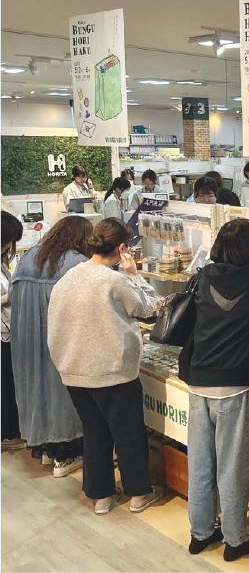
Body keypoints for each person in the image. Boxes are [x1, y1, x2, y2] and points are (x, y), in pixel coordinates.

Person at [47, 219, 163, 515]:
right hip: (112, 372)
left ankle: (101, 498)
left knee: (95, 433)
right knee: (128, 433)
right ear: (123, 248)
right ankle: (138, 494)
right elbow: (150, 309)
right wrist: (134, 275)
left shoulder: (68, 277)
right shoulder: (113, 280)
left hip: (74, 371)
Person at [178, 219, 249, 561]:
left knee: (201, 463)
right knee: (233, 469)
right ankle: (235, 539)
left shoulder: (203, 276)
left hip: (198, 380)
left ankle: (200, 533)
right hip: (234, 385)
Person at [9, 216, 91, 474]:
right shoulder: (77, 263)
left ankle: (47, 449)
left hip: (27, 339)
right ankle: (66, 455)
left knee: (37, 390)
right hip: (61, 340)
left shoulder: (30, 257)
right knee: (63, 394)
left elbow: (13, 296)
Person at [0, 212, 23, 451]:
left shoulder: (2, 262)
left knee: (9, 383)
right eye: (7, 241)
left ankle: (11, 431)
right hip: (1, 333)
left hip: (8, 331)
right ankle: (6, 435)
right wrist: (8, 297)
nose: (9, 246)